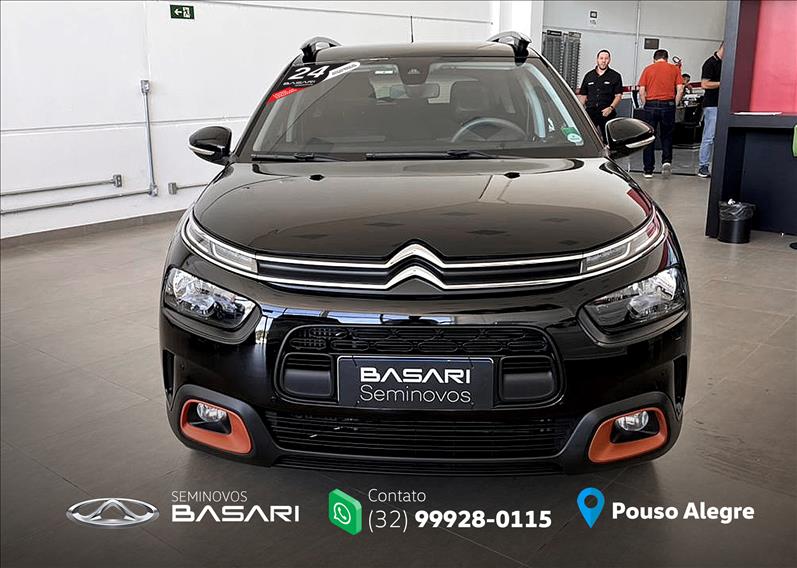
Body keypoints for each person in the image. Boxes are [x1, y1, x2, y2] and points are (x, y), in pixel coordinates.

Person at [638, 49, 684, 178]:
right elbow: (680, 89)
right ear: (667, 59)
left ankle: (648, 170)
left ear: (654, 59)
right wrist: (674, 104)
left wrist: (645, 104)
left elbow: (641, 91)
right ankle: (666, 161)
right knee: (667, 135)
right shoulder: (674, 69)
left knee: (648, 137)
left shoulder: (648, 69)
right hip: (668, 104)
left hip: (650, 105)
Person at [578, 49, 623, 142]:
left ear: (609, 60)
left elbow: (618, 96)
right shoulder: (589, 76)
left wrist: (610, 108)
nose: (603, 61)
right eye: (601, 58)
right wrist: (580, 111)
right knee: (587, 138)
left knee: (608, 140)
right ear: (597, 60)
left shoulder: (615, 76)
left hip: (606, 113)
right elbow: (583, 95)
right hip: (590, 113)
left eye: (606, 58)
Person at [698, 42, 724, 177]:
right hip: (712, 105)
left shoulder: (727, 63)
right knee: (709, 136)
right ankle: (703, 166)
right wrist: (723, 83)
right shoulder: (710, 63)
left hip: (724, 104)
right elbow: (704, 84)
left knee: (720, 136)